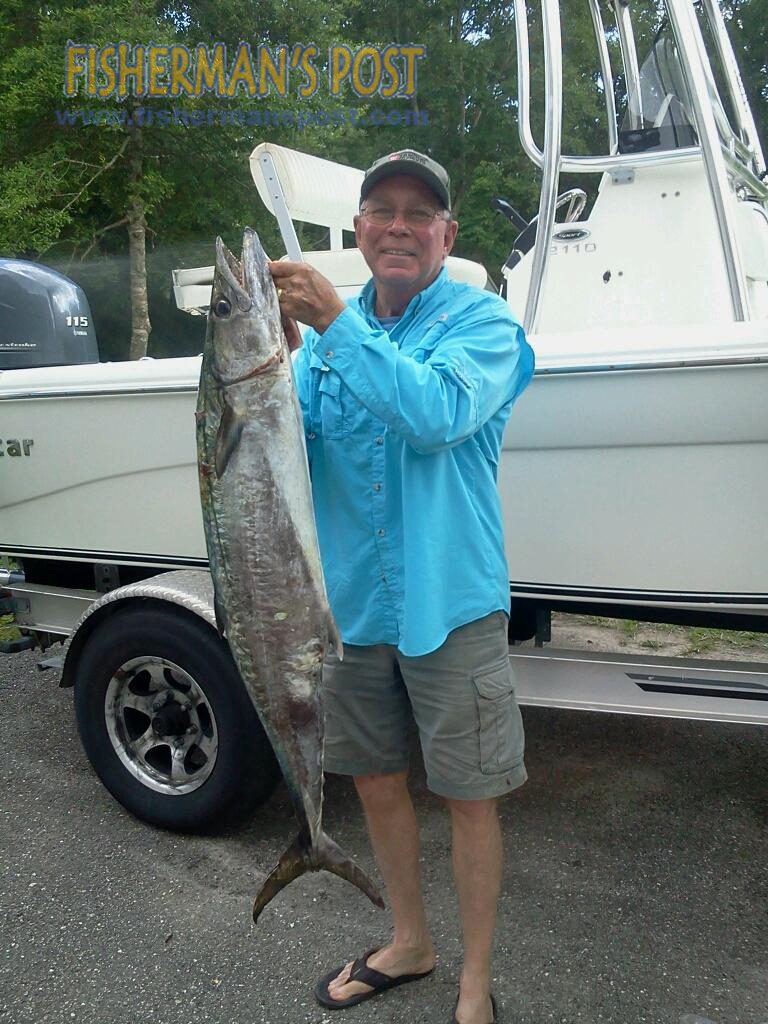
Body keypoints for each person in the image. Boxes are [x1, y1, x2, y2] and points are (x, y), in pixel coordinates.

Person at [269, 149, 534, 1024]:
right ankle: (411, 943)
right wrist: (268, 354)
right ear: (358, 231)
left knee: (469, 793)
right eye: (381, 209)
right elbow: (283, 456)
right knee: (376, 781)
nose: (398, 225)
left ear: (446, 236)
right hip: (351, 608)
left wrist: (337, 326)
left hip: (449, 604)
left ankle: (473, 981)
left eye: (419, 214)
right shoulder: (317, 349)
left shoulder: (485, 325)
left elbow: (436, 416)